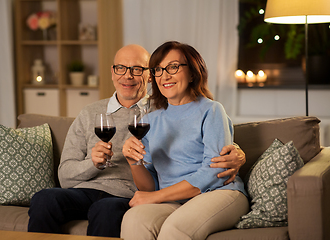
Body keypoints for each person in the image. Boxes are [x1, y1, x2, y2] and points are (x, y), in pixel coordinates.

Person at [27, 44, 246, 238]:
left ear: (148, 77)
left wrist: (237, 151)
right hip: (107, 191)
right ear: (112, 73)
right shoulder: (109, 114)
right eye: (121, 68)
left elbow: (212, 158)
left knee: (112, 210)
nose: (127, 76)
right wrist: (116, 162)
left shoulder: (163, 109)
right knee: (46, 199)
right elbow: (66, 175)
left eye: (137, 69)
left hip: (135, 195)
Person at [121, 41, 249, 240]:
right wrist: (133, 162)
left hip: (219, 193)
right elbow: (149, 187)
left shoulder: (212, 110)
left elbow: (216, 172)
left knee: (176, 229)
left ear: (192, 73)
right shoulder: (149, 121)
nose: (164, 76)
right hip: (174, 201)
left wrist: (156, 197)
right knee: (133, 220)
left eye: (173, 67)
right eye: (158, 70)